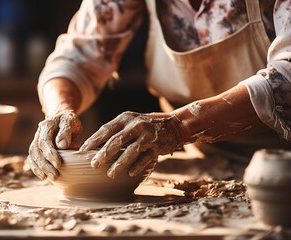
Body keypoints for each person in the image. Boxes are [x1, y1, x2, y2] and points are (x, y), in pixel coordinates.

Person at [27, 0, 291, 181]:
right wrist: (59, 112)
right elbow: (77, 58)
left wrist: (176, 127)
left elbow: (286, 78)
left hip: (283, 169)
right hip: (210, 164)